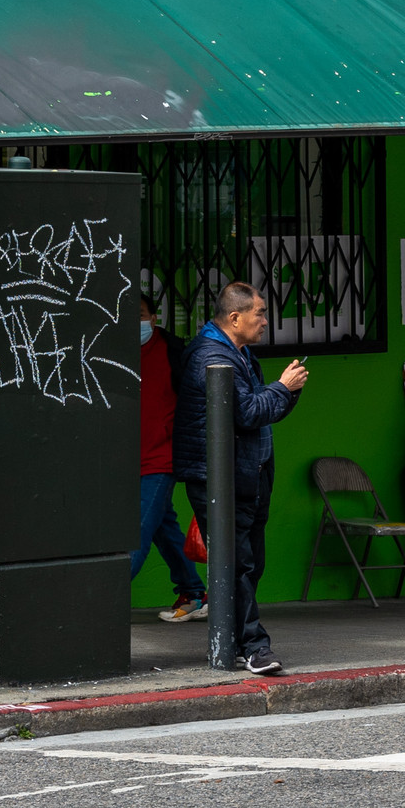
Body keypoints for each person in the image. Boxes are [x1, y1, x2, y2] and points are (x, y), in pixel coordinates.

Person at [174, 282, 308, 674]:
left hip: (250, 474)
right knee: (238, 565)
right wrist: (283, 388)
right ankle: (254, 647)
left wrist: (286, 392)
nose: (265, 321)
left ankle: (234, 641)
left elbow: (261, 412)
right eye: (260, 313)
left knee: (250, 564)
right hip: (221, 478)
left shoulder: (239, 353)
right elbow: (247, 412)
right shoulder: (211, 356)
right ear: (235, 318)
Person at [132, 288, 207, 624]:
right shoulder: (109, 351)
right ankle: (194, 592)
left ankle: (99, 604)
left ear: (153, 318)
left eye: (139, 315)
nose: (133, 323)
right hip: (127, 459)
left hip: (161, 458)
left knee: (135, 531)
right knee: (163, 526)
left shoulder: (175, 352)